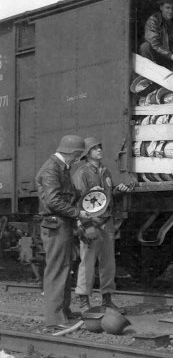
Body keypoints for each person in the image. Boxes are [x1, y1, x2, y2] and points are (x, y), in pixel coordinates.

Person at [36, 134, 90, 331]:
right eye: (77, 155)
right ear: (72, 153)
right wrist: (78, 212)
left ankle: (63, 312)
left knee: (64, 268)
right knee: (57, 269)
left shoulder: (61, 167)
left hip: (61, 224)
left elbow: (65, 195)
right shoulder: (52, 168)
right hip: (56, 224)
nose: (77, 159)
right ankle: (53, 318)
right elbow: (53, 201)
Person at [72, 137, 130, 314]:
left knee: (108, 263)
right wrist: (86, 224)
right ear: (87, 153)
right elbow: (80, 201)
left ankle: (107, 300)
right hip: (91, 223)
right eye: (95, 148)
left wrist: (117, 191)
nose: (99, 150)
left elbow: (105, 196)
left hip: (106, 221)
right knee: (87, 263)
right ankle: (84, 301)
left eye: (99, 147)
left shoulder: (105, 172)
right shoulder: (82, 174)